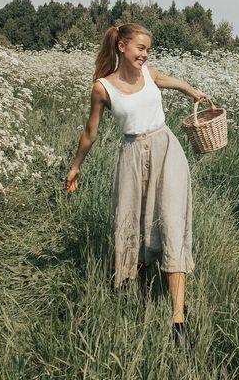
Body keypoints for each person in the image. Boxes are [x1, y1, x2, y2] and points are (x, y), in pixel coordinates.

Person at [64, 22, 212, 351]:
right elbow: (90, 133)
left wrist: (192, 92)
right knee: (136, 229)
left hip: (166, 149)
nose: (144, 55)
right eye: (140, 48)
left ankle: (178, 321)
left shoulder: (149, 74)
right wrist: (75, 167)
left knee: (172, 224)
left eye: (147, 49)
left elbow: (168, 81)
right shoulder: (103, 87)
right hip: (131, 156)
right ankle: (138, 296)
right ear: (121, 47)